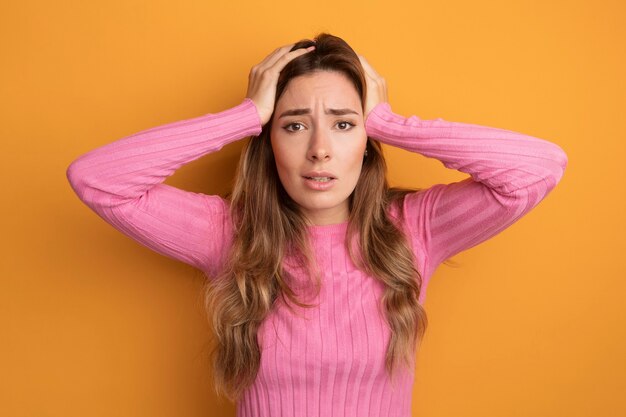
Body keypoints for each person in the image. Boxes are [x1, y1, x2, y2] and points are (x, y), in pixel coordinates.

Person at [66, 33, 568, 417]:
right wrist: (245, 115)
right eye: (295, 124)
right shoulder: (229, 233)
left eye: (345, 124)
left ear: (365, 140)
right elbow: (97, 180)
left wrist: (389, 122)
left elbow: (538, 168)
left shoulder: (414, 228)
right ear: (269, 140)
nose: (320, 149)